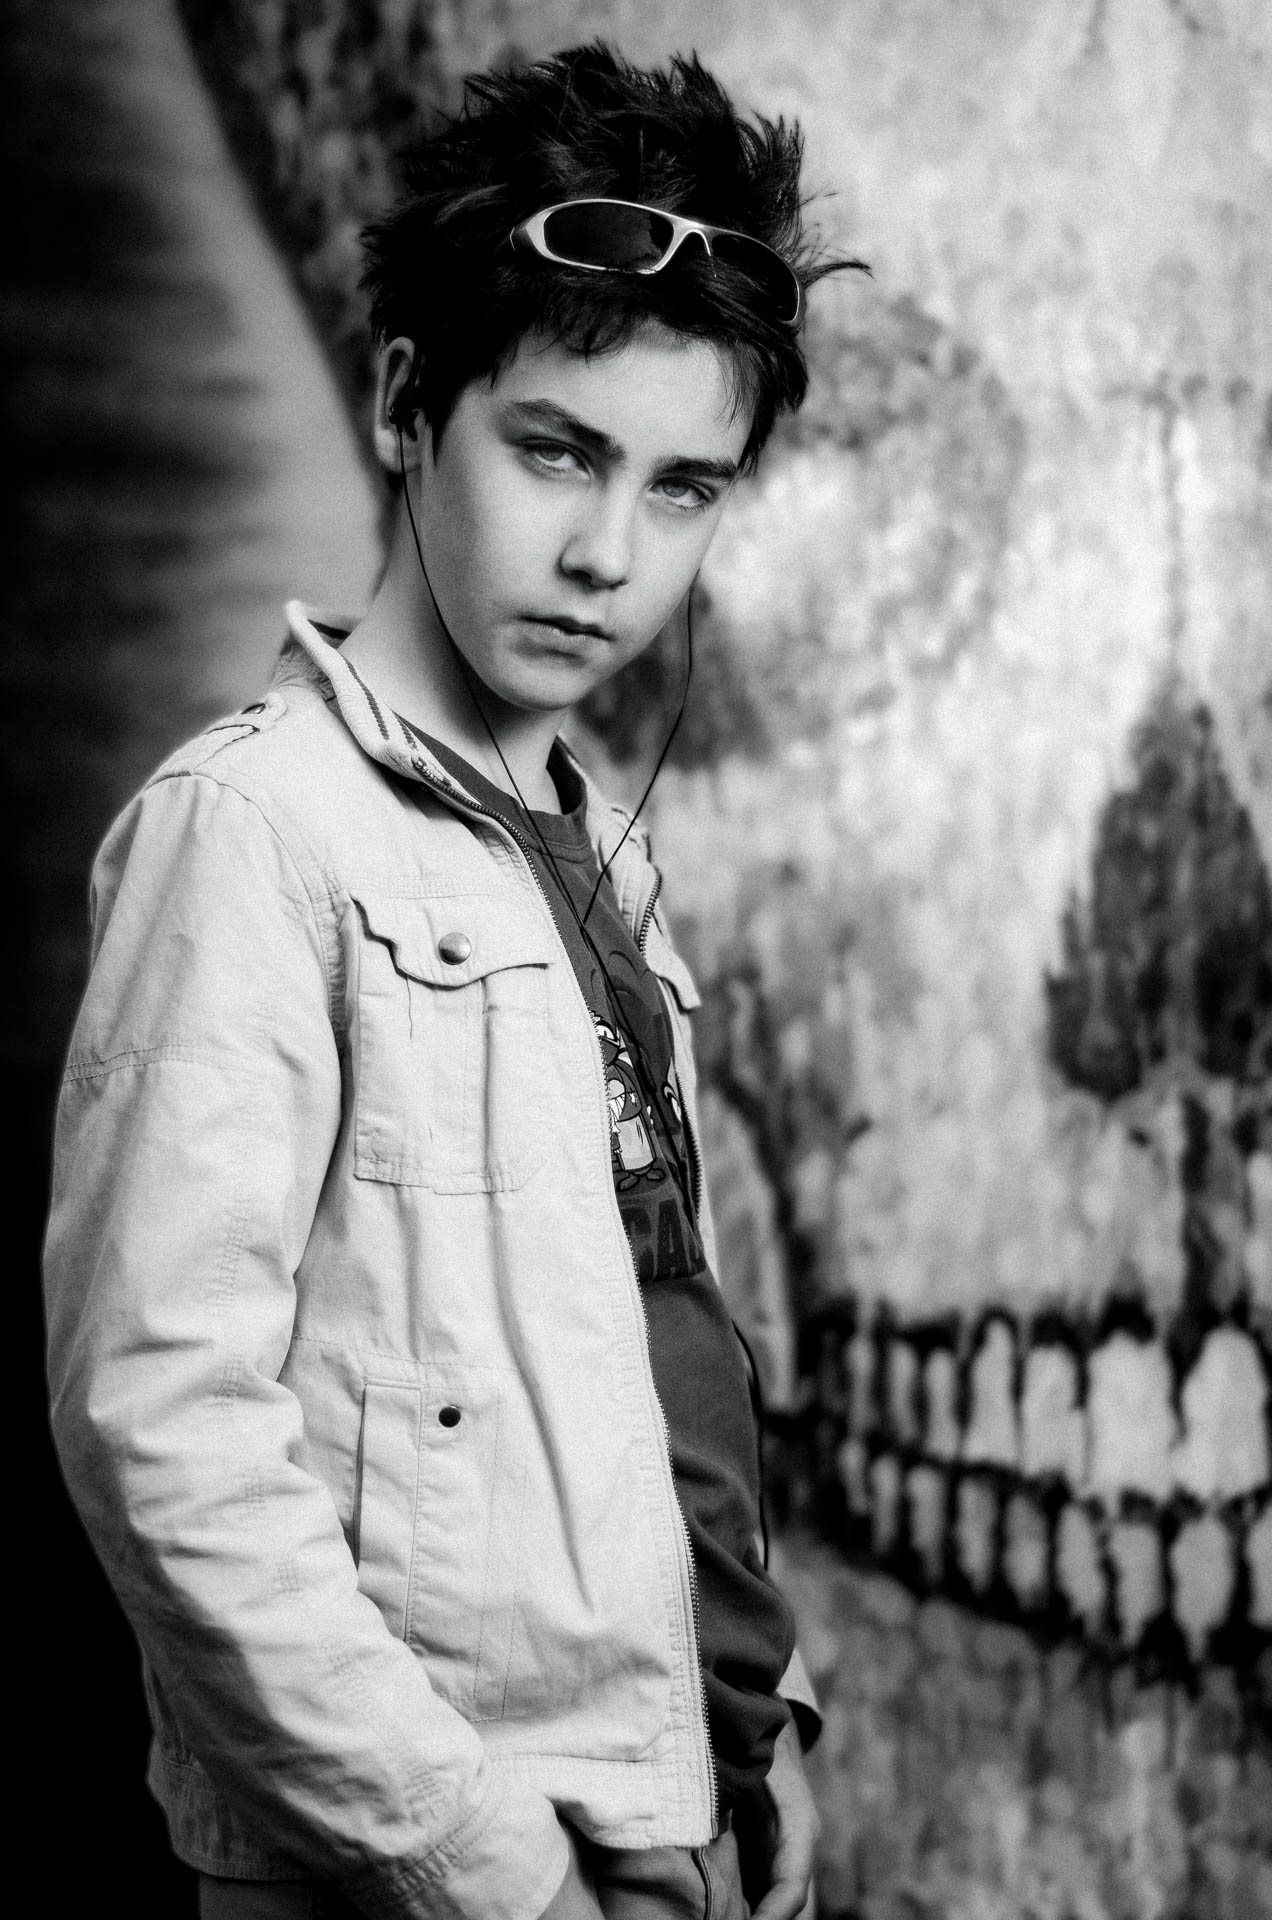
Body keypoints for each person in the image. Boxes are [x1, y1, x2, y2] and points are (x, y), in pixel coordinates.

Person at [44, 41, 864, 1920]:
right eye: (558, 450)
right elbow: (161, 1432)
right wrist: (480, 1864)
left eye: (683, 488)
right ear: (408, 402)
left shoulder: (603, 854)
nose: (609, 555)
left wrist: (765, 1717)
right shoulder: (254, 835)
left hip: (681, 1802)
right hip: (441, 1861)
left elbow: (649, 1335)